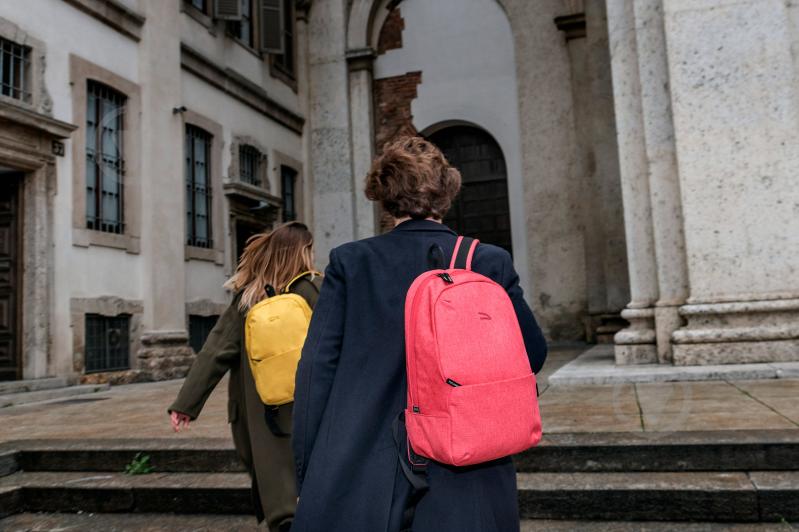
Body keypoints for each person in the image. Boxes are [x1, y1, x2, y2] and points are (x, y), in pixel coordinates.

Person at [291, 136, 548, 531]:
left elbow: (316, 371)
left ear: (383, 195)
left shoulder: (351, 262)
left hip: (364, 461)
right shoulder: (486, 260)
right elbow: (532, 353)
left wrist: (310, 466)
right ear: (446, 192)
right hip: (467, 462)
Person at [167, 221, 321, 532]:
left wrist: (186, 404)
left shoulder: (248, 296)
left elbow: (215, 350)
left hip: (262, 413)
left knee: (280, 493)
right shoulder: (315, 288)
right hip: (311, 407)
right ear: (303, 252)